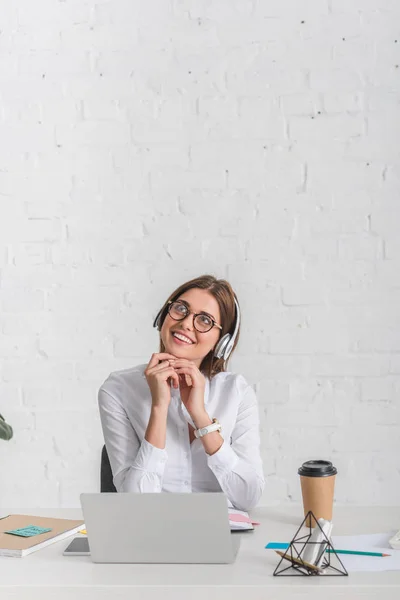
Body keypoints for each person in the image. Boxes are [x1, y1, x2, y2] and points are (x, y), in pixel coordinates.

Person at [98, 274, 264, 511]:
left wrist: (200, 416)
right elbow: (134, 504)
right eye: (181, 309)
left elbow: (248, 498)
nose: (186, 323)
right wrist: (159, 407)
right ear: (163, 317)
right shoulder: (118, 389)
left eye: (205, 320)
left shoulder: (236, 393)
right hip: (149, 538)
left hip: (221, 537)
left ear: (222, 342)